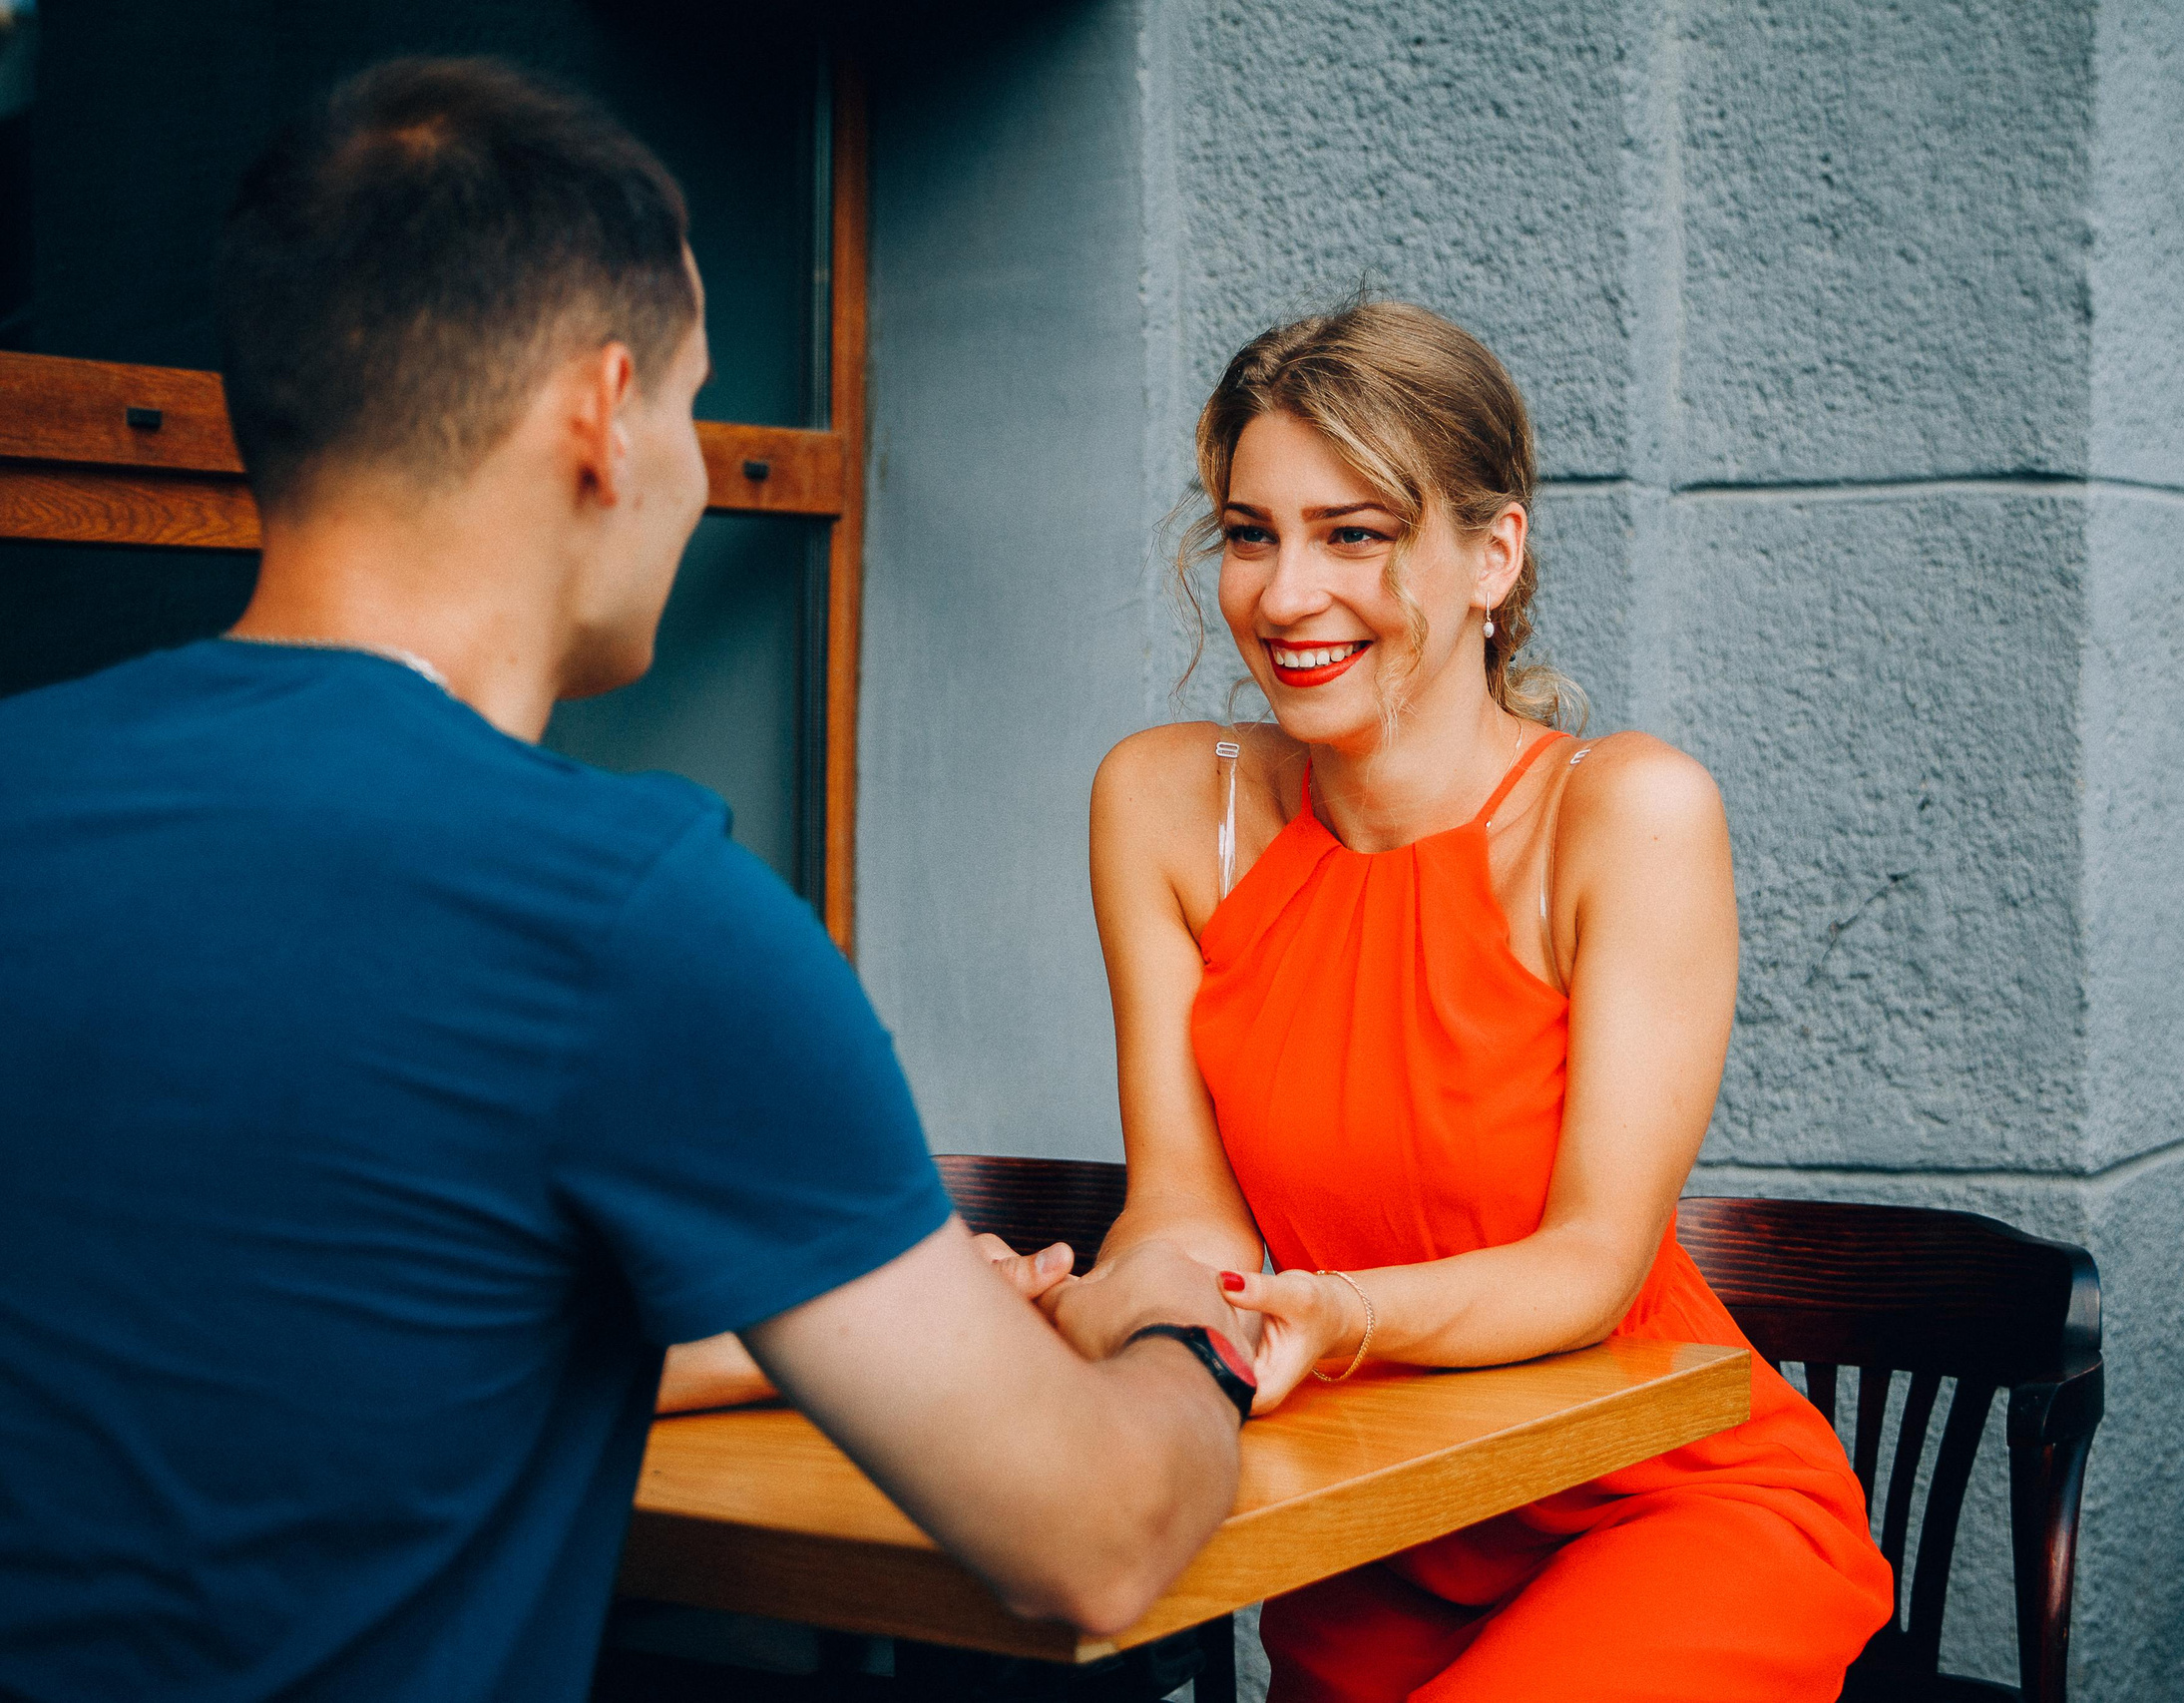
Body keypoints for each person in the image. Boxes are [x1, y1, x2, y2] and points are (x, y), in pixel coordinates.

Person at [0, 58, 1252, 1702]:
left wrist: (826, 1333)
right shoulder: (624, 911)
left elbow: (322, 1344)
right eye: (693, 400)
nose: (701, 466)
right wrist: (1183, 1335)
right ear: (601, 415)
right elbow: (1089, 1536)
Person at [1062, 300, 1898, 1700]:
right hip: (1371, 1522)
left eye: (1357, 534)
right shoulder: (1161, 804)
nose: (1283, 595)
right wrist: (1133, 1319)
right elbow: (1183, 1209)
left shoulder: (1625, 813)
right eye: (1251, 533)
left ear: (1490, 555)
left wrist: (1337, 1315)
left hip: (1669, 1507)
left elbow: (1594, 1264)